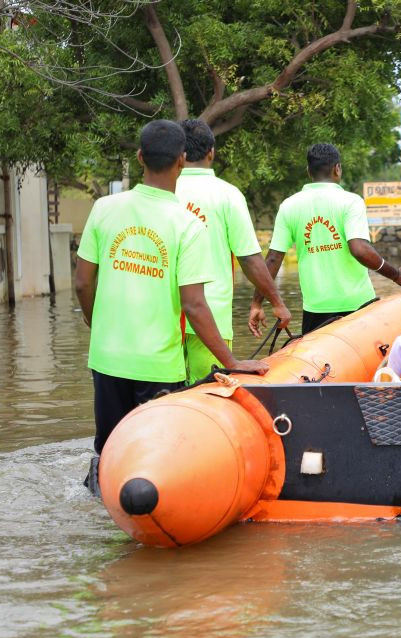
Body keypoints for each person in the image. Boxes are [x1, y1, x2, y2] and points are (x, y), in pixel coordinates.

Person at [74, 120, 268, 462]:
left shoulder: (104, 209)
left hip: (106, 358)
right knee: (159, 458)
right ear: (181, 159)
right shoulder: (186, 224)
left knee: (109, 455)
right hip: (158, 367)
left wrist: (97, 324)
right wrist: (232, 362)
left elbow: (82, 282)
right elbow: (194, 305)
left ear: (139, 157)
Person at [249, 143, 401, 335]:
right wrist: (395, 275)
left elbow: (272, 260)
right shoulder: (351, 202)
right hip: (358, 304)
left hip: (316, 309)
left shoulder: (289, 206)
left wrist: (256, 303)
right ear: (337, 169)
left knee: (319, 364)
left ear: (308, 171)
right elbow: (360, 249)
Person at [175, 119, 291, 383]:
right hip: (209, 318)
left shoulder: (161, 192)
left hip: (163, 320)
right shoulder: (227, 195)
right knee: (206, 399)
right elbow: (249, 258)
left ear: (178, 153)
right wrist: (276, 303)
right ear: (211, 152)